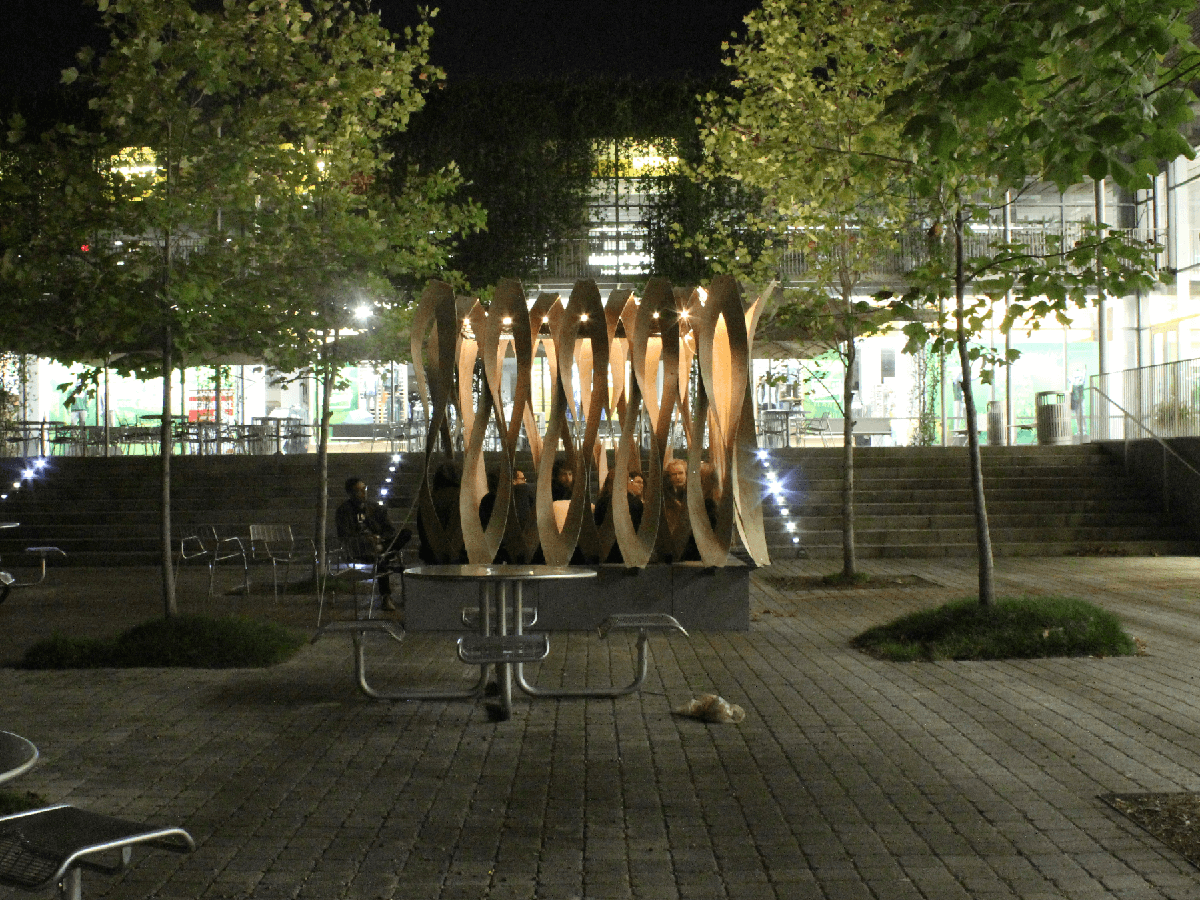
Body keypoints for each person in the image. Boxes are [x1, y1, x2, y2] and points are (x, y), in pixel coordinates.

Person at [335, 476, 410, 611]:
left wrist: (379, 538)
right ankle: (386, 597)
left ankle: (382, 553)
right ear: (350, 493)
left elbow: (390, 530)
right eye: (359, 491)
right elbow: (345, 536)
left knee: (405, 534)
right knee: (381, 559)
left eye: (365, 489)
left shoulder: (374, 508)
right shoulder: (343, 511)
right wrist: (366, 539)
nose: (364, 493)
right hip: (360, 549)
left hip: (381, 544)